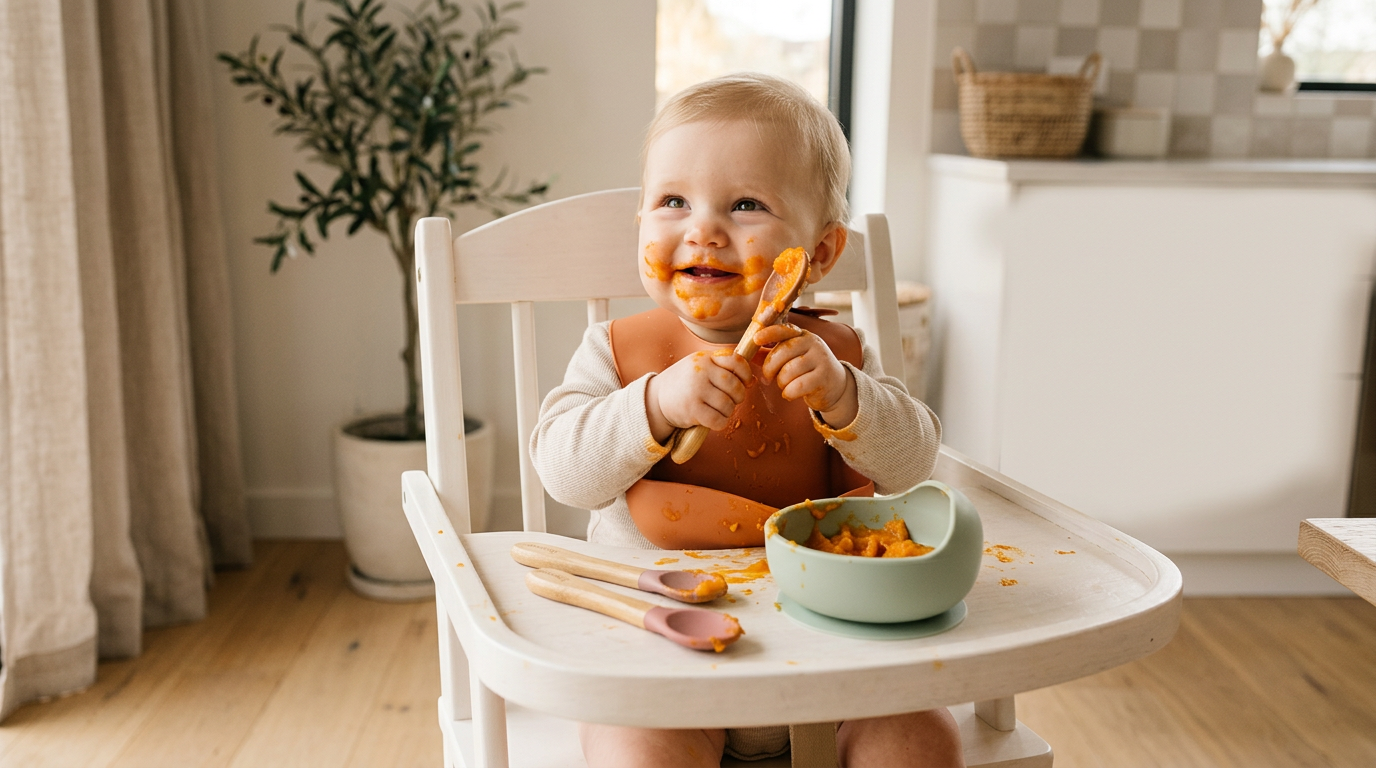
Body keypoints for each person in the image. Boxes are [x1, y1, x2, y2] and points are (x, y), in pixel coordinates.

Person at [530, 73, 960, 767]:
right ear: (640, 223)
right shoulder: (617, 353)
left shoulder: (835, 355)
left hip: (835, 654)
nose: (703, 228)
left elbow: (913, 463)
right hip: (658, 657)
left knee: (919, 740)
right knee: (639, 751)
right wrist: (654, 404)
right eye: (672, 201)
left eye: (746, 204)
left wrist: (847, 398)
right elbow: (562, 472)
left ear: (818, 254)